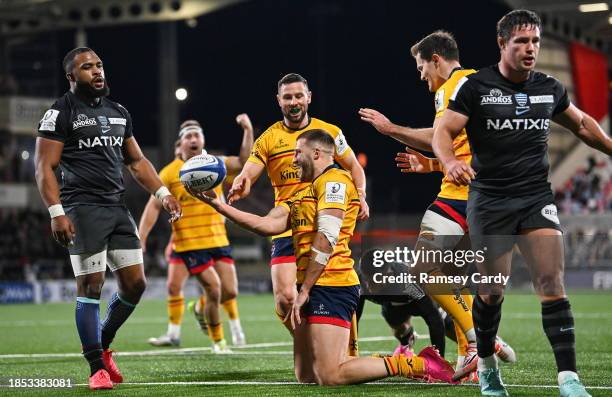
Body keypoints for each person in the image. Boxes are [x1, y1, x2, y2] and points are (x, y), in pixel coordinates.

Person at [433, 10, 612, 397]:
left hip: (535, 197)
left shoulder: (549, 87)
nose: (531, 49)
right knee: (491, 290)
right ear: (502, 44)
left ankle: (569, 378)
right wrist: (449, 161)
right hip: (490, 200)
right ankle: (486, 365)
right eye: (521, 42)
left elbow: (581, 125)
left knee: (551, 281)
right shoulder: (477, 87)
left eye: (535, 41)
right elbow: (443, 131)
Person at [190, 129, 455, 385]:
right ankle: (354, 360)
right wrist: (218, 205)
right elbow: (265, 225)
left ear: (316, 153)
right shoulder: (303, 191)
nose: (293, 160)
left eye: (297, 152)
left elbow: (327, 237)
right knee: (306, 376)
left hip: (333, 283)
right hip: (311, 284)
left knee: (331, 376)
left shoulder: (336, 181)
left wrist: (304, 290)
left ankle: (418, 364)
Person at [359, 31, 515, 379]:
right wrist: (433, 165)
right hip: (486, 198)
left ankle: (482, 339)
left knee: (424, 270)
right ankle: (471, 357)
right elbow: (474, 140)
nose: (420, 75)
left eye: (421, 67)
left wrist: (389, 129)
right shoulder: (478, 81)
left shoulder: (454, 86)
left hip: (459, 197)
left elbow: (436, 136)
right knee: (453, 281)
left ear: (436, 59)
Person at [34, 47, 181, 390]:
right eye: (87, 68)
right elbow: (44, 167)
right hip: (81, 209)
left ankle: (103, 342)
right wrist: (57, 213)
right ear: (72, 76)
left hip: (117, 208)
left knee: (136, 284)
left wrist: (163, 193)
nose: (97, 71)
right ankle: (96, 368)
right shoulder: (59, 113)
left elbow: (137, 161)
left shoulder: (119, 112)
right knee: (91, 286)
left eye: (99, 65)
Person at [228, 73, 368, 355]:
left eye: (298, 96)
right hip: (287, 224)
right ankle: (312, 345)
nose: (294, 102)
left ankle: (345, 350)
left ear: (309, 98)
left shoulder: (329, 132)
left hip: (323, 223)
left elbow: (354, 166)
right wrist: (242, 182)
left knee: (335, 287)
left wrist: (361, 194)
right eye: (288, 97)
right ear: (279, 101)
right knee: (284, 299)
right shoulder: (268, 138)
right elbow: (249, 170)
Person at [139, 116, 253, 352]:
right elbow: (153, 206)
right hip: (190, 243)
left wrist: (248, 130)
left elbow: (243, 162)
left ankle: (201, 309)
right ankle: (218, 341)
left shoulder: (215, 163)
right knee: (213, 289)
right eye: (188, 136)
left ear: (203, 140)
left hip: (218, 239)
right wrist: (142, 237)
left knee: (230, 291)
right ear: (180, 144)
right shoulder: (170, 173)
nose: (193, 139)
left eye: (197, 135)